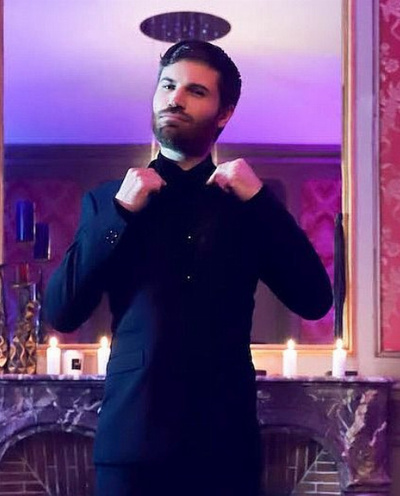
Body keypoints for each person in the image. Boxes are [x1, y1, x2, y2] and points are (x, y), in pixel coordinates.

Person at [44, 40, 333, 496]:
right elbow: (61, 312)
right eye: (167, 85)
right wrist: (119, 212)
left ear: (224, 113)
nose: (175, 99)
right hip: (131, 447)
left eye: (195, 91)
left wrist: (261, 201)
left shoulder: (248, 208)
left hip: (225, 451)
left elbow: (315, 300)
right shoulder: (107, 201)